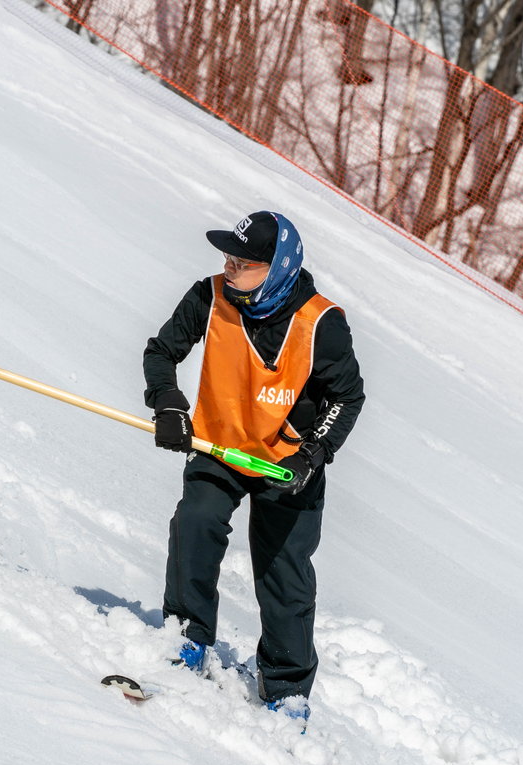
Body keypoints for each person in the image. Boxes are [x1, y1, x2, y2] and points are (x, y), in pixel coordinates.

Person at [143, 210, 366, 722]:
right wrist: (169, 404)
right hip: (220, 446)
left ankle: (285, 688)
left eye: (242, 261)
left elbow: (346, 397)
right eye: (227, 256)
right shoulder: (209, 296)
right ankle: (187, 638)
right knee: (195, 524)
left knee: (284, 573)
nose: (229, 267)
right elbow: (161, 353)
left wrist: (317, 452)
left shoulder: (321, 324)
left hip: (288, 465)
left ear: (278, 267)